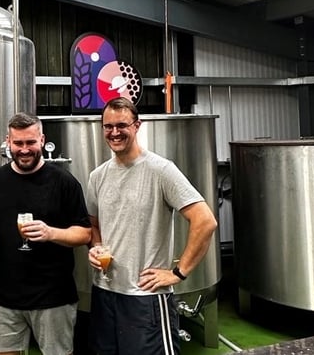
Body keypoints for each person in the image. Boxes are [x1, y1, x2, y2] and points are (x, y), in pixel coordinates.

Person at [86, 97, 218, 355]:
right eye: (108, 126)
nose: (114, 132)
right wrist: (97, 247)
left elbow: (205, 221)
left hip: (146, 298)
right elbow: (94, 224)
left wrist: (178, 273)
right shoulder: (98, 176)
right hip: (105, 293)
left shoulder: (160, 170)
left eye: (122, 125)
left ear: (137, 126)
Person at [0, 112, 92, 355]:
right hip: (3, 296)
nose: (24, 149)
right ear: (8, 142)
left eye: (30, 142)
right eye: (18, 143)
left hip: (53, 297)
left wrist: (51, 233)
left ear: (42, 140)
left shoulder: (64, 182)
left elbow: (84, 234)